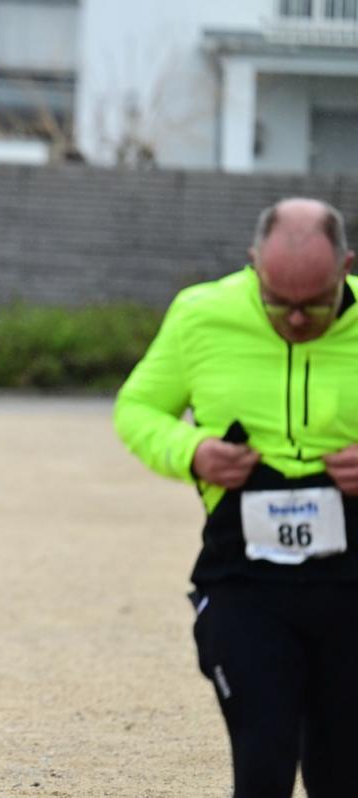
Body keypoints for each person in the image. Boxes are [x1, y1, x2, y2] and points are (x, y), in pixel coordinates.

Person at [115, 198, 358, 798]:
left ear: (346, 267)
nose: (295, 319)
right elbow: (138, 409)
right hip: (244, 582)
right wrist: (191, 450)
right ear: (253, 264)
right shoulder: (201, 315)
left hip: (353, 585)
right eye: (277, 301)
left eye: (316, 303)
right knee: (263, 758)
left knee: (341, 771)